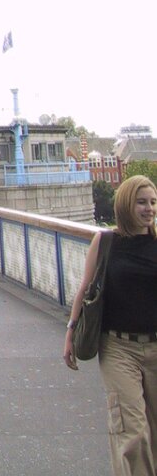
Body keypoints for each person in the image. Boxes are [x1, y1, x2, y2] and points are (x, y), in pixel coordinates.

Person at [64, 175, 157, 476]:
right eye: (141, 202)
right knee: (132, 433)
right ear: (126, 204)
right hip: (118, 348)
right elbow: (85, 288)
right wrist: (71, 333)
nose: (149, 209)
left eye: (153, 202)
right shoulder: (105, 242)